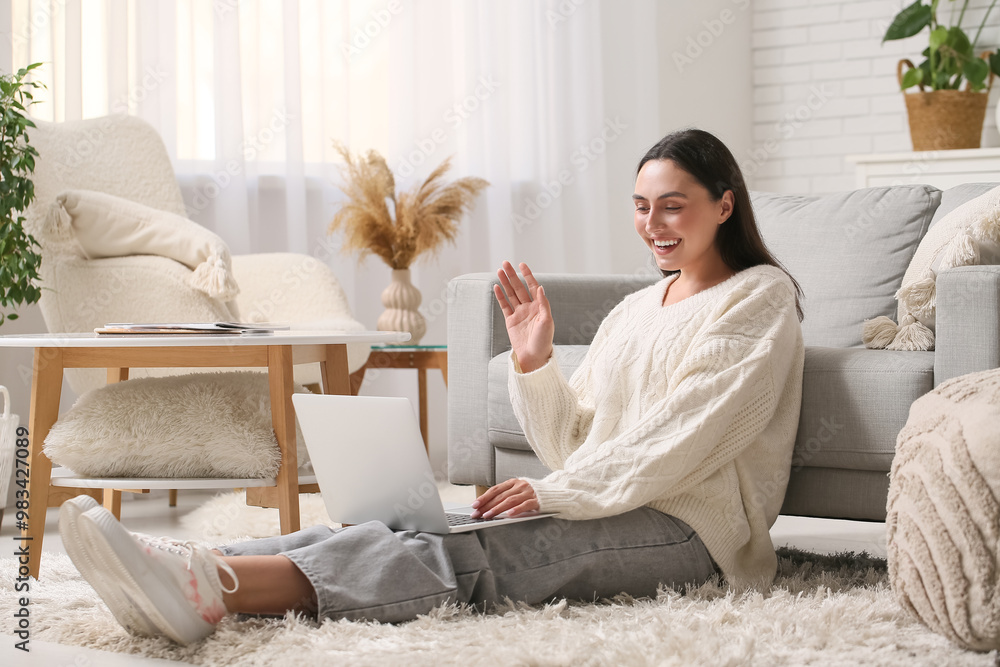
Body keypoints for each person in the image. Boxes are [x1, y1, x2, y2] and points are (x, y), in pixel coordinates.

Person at [59, 128, 805, 646]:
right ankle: (174, 569)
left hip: (691, 531)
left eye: (673, 204)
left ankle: (216, 585)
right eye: (641, 206)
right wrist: (535, 362)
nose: (653, 224)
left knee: (475, 558)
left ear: (724, 203)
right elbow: (570, 444)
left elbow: (689, 437)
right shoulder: (639, 307)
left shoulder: (760, 297)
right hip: (606, 497)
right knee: (411, 526)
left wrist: (554, 495)